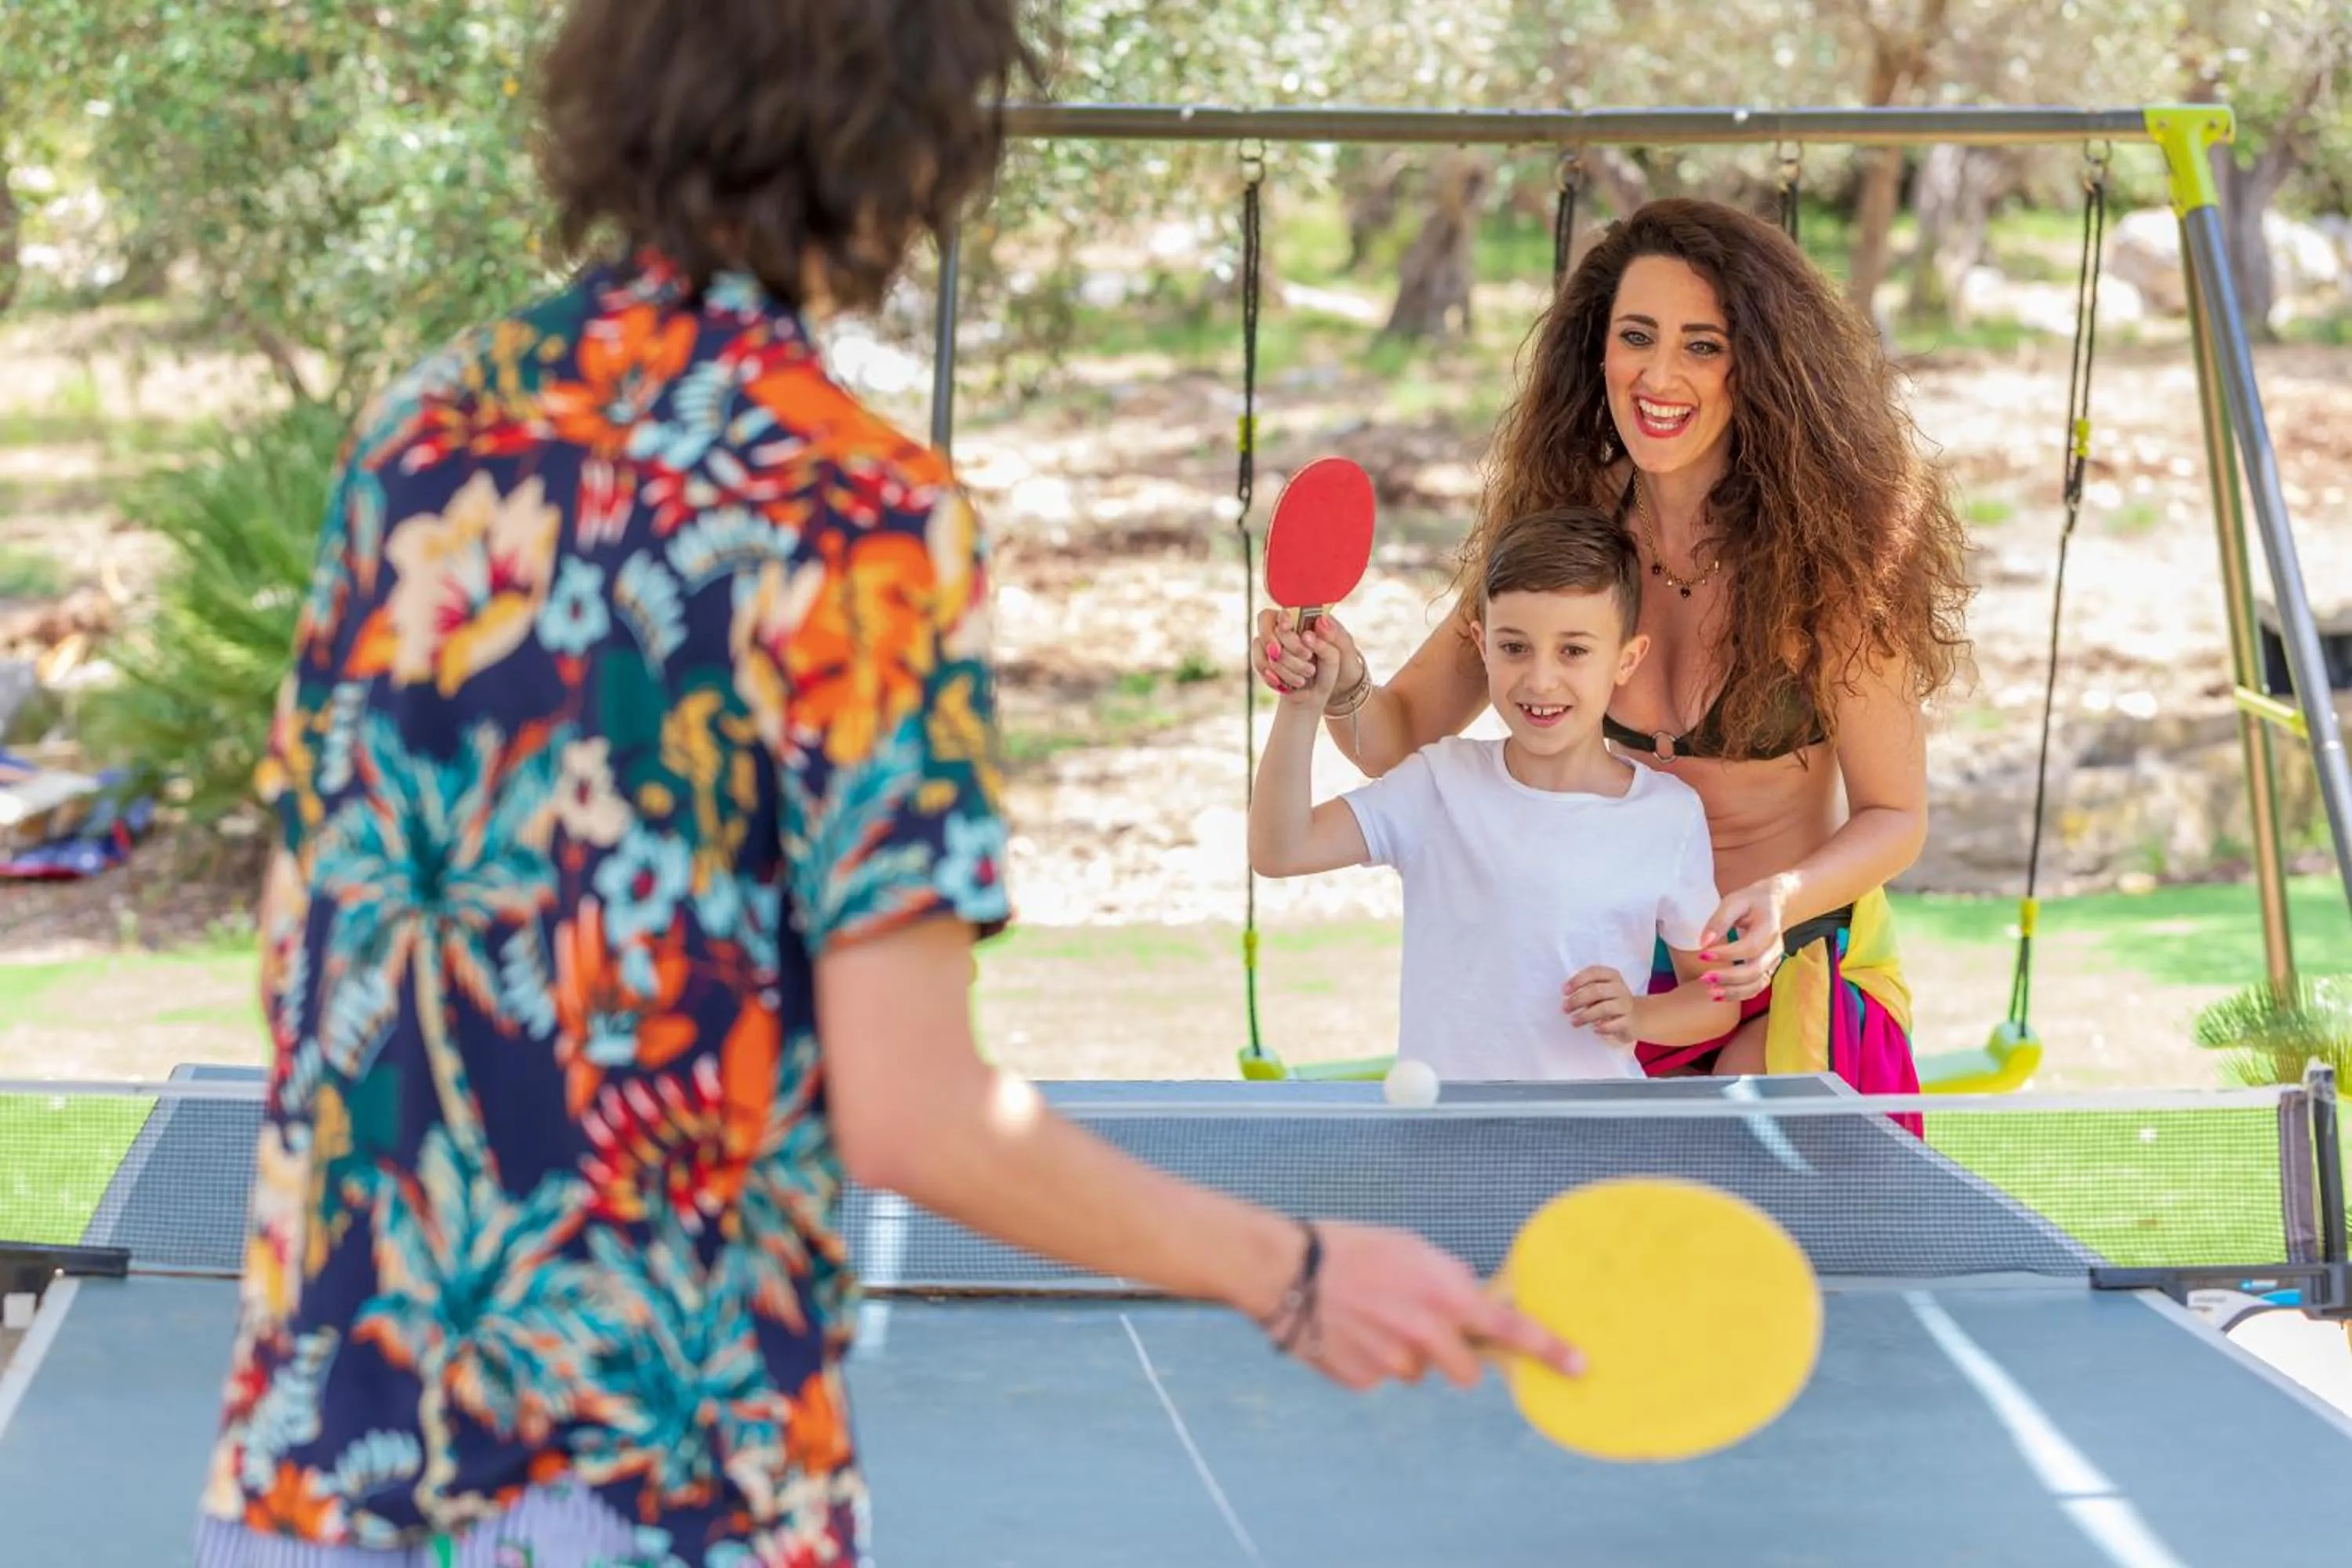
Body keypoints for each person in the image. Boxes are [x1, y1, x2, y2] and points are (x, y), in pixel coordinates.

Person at [194, 5, 1573, 1566]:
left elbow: (311, 949)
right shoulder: (854, 507)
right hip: (660, 1485)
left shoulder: (419, 438)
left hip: (314, 1464)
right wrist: (1294, 1266)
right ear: (902, 147)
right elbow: (915, 1109)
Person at [1256, 198, 1971, 1099]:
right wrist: (1341, 681)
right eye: (1637, 335)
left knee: (1748, 1172)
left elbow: (1895, 815)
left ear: (1759, 367)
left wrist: (1785, 893)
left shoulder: (1834, 562)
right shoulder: (1567, 534)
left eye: (1701, 345)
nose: (1659, 373)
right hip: (1618, 980)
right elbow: (1396, 737)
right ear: (1597, 350)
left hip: (1795, 961)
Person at [1250, 506, 1735, 1080]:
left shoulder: (1668, 817)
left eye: (1574, 650)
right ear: (1481, 645)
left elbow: (1714, 1000)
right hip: (1449, 1145)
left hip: (1593, 1144)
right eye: (1514, 647)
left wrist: (1640, 1014)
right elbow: (1281, 850)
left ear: (1626, 659)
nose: (1540, 679)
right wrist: (1302, 705)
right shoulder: (1438, 784)